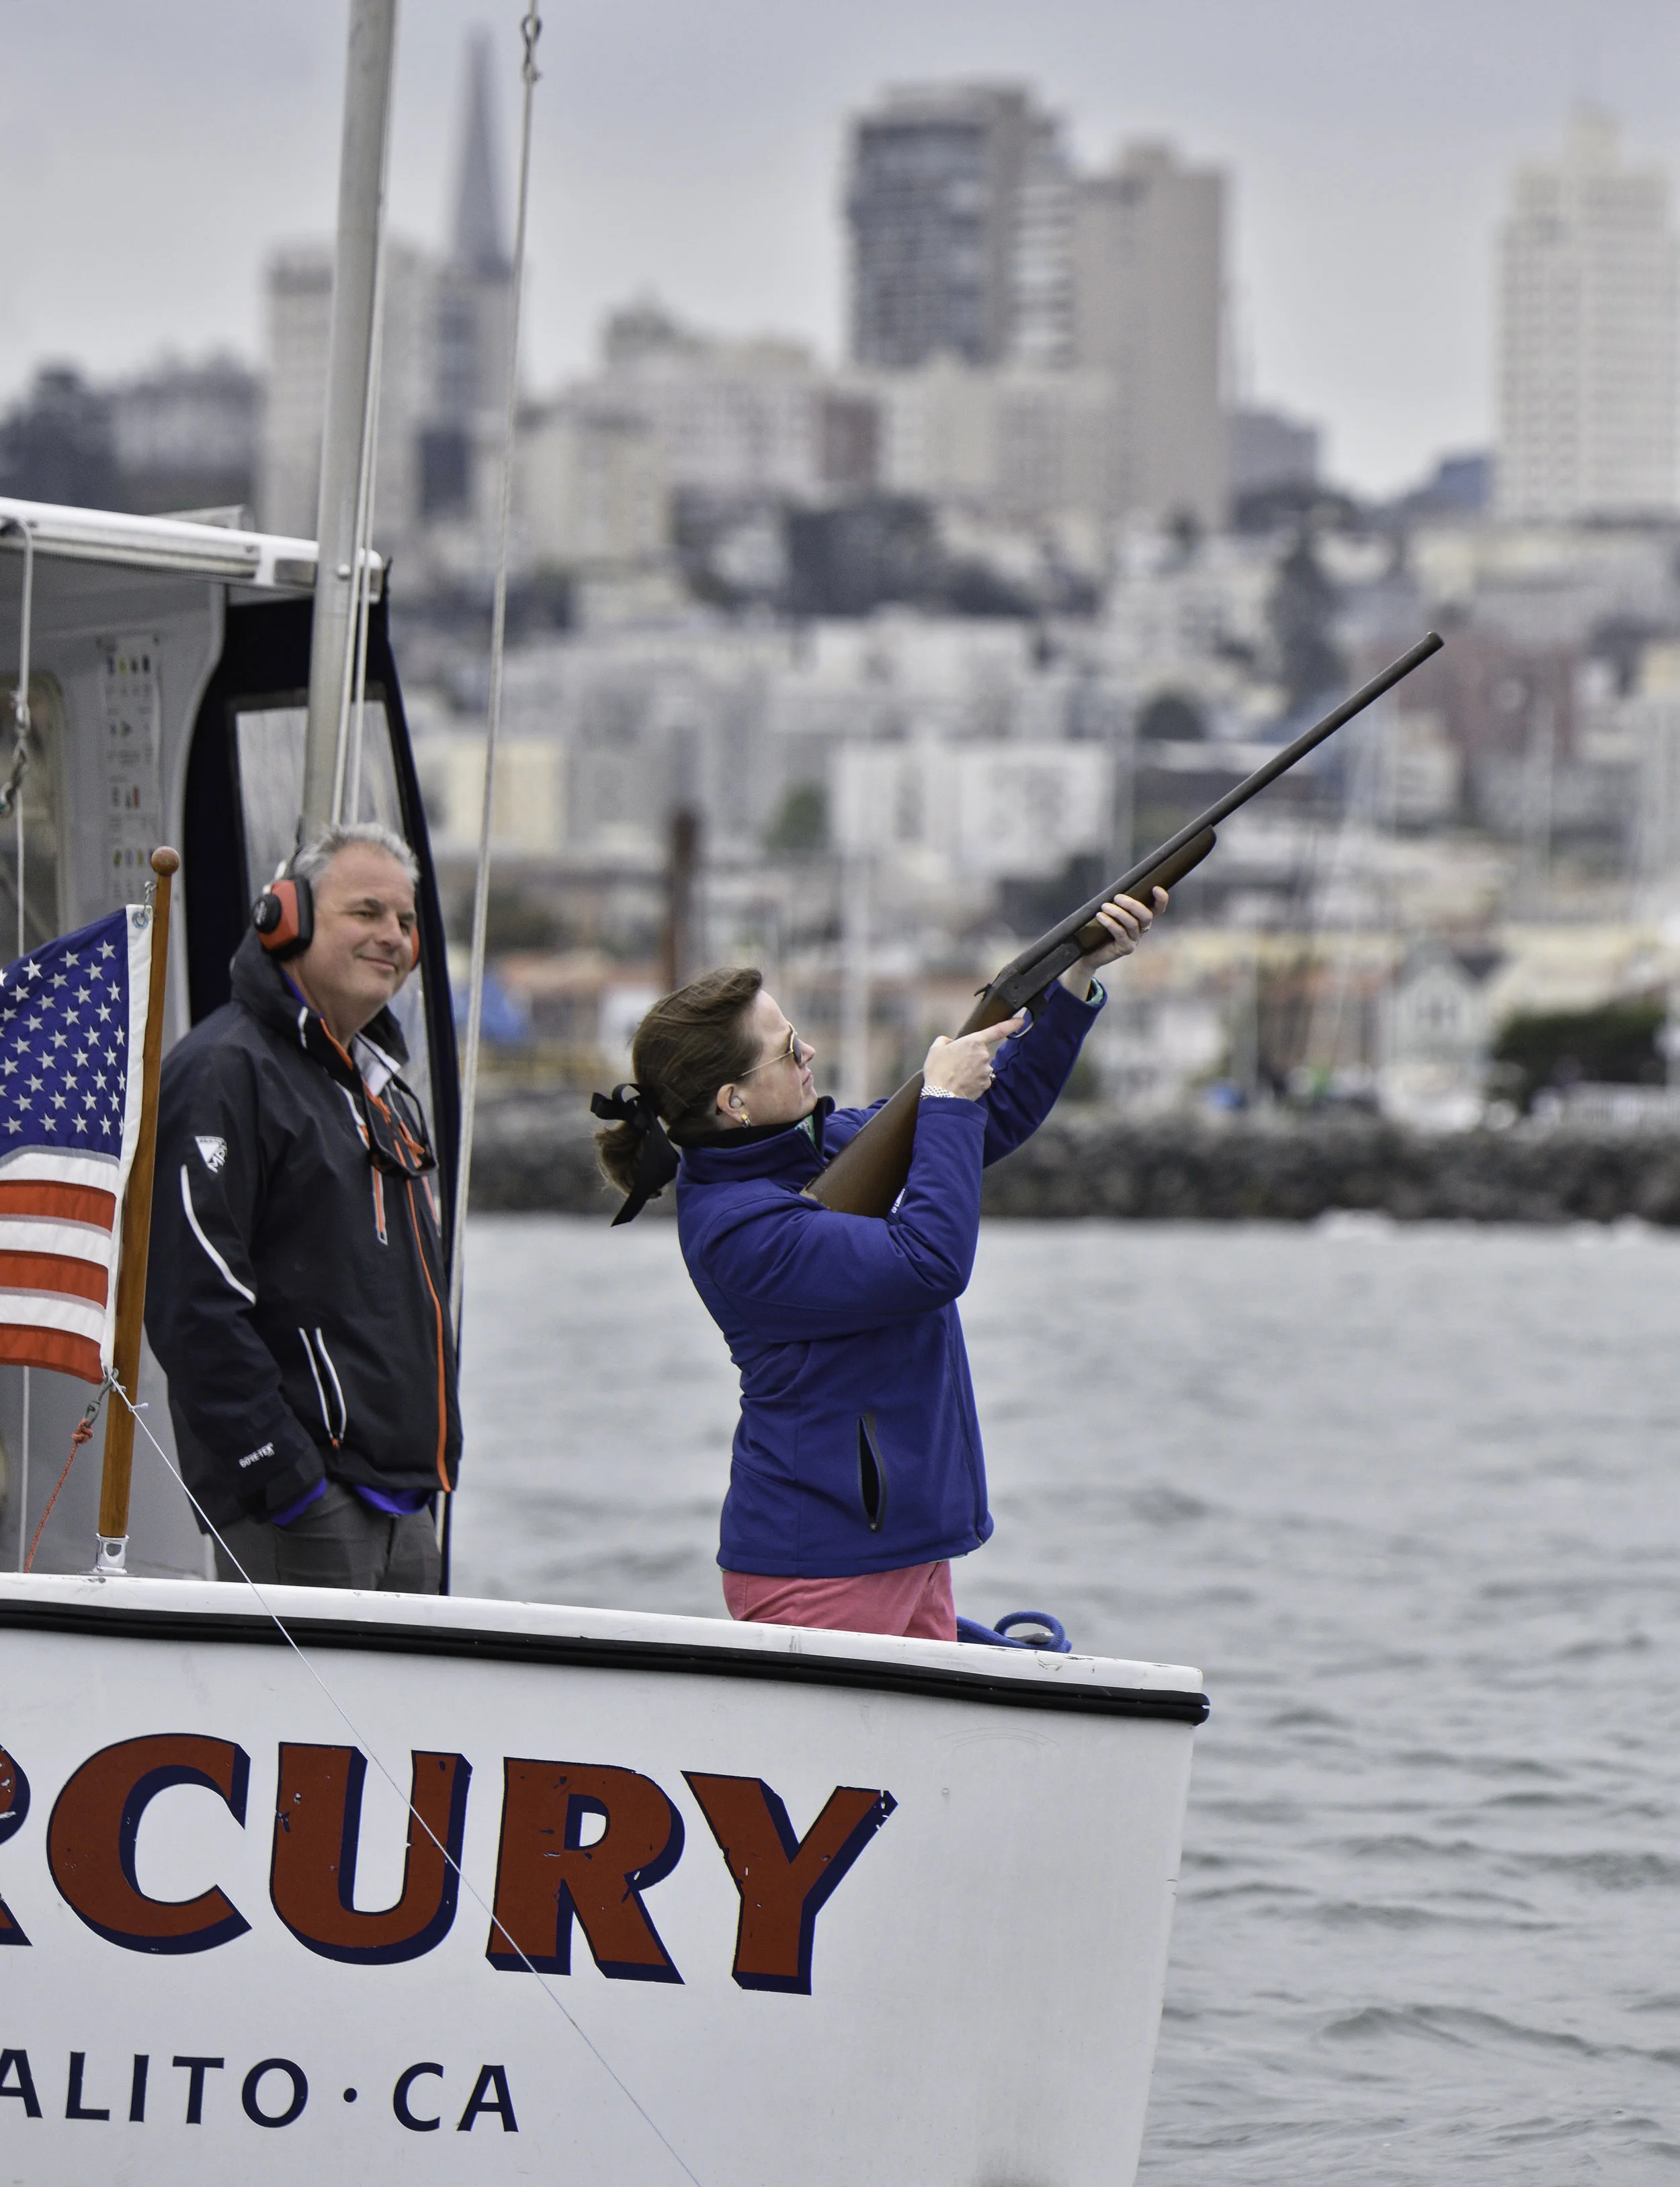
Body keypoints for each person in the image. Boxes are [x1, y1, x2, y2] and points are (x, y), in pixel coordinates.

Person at [593, 889, 1163, 1641]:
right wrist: (947, 1102)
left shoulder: (818, 1143)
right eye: (790, 1050)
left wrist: (1071, 979)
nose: (811, 1055)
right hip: (820, 1566)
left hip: (901, 1548)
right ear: (733, 1101)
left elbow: (993, 1114)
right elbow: (929, 1262)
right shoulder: (737, 1229)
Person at [146, 821, 460, 1592]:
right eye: (367, 912)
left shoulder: (383, 1089)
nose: (392, 935)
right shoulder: (225, 1069)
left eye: (407, 921)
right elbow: (193, 1300)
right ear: (286, 917)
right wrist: (282, 1474)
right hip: (304, 1505)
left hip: (406, 1502)